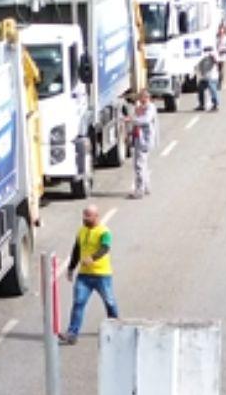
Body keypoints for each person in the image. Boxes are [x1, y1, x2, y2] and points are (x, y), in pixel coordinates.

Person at [59, 204, 117, 345]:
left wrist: (93, 258)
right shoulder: (81, 231)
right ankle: (72, 333)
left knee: (109, 302)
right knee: (78, 303)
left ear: (96, 216)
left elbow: (105, 248)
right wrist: (71, 268)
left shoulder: (104, 232)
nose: (84, 218)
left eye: (88, 216)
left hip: (101, 274)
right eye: (84, 215)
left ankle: (117, 328)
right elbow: (76, 250)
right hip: (84, 275)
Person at [126, 94, 156, 199]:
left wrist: (132, 120)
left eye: (143, 97)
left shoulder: (150, 108)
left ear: (147, 97)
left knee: (139, 165)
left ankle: (139, 191)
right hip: (139, 139)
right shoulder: (141, 107)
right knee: (143, 164)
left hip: (144, 140)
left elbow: (145, 120)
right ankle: (146, 187)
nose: (140, 99)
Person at [195, 47, 221, 113]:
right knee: (200, 88)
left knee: (212, 90)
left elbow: (217, 61)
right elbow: (198, 65)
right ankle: (201, 105)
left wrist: (212, 55)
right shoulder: (202, 57)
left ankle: (215, 105)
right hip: (204, 77)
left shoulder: (213, 55)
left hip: (212, 77)